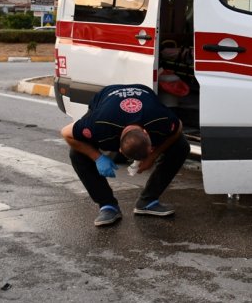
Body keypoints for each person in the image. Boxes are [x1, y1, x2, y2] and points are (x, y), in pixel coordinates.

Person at [61, 84, 190, 227]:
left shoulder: (160, 120)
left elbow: (178, 127)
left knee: (181, 146)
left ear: (148, 134)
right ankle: (107, 206)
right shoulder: (98, 124)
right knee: (77, 152)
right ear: (119, 150)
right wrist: (97, 157)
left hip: (144, 94)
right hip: (106, 99)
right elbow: (66, 133)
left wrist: (153, 157)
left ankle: (148, 201)